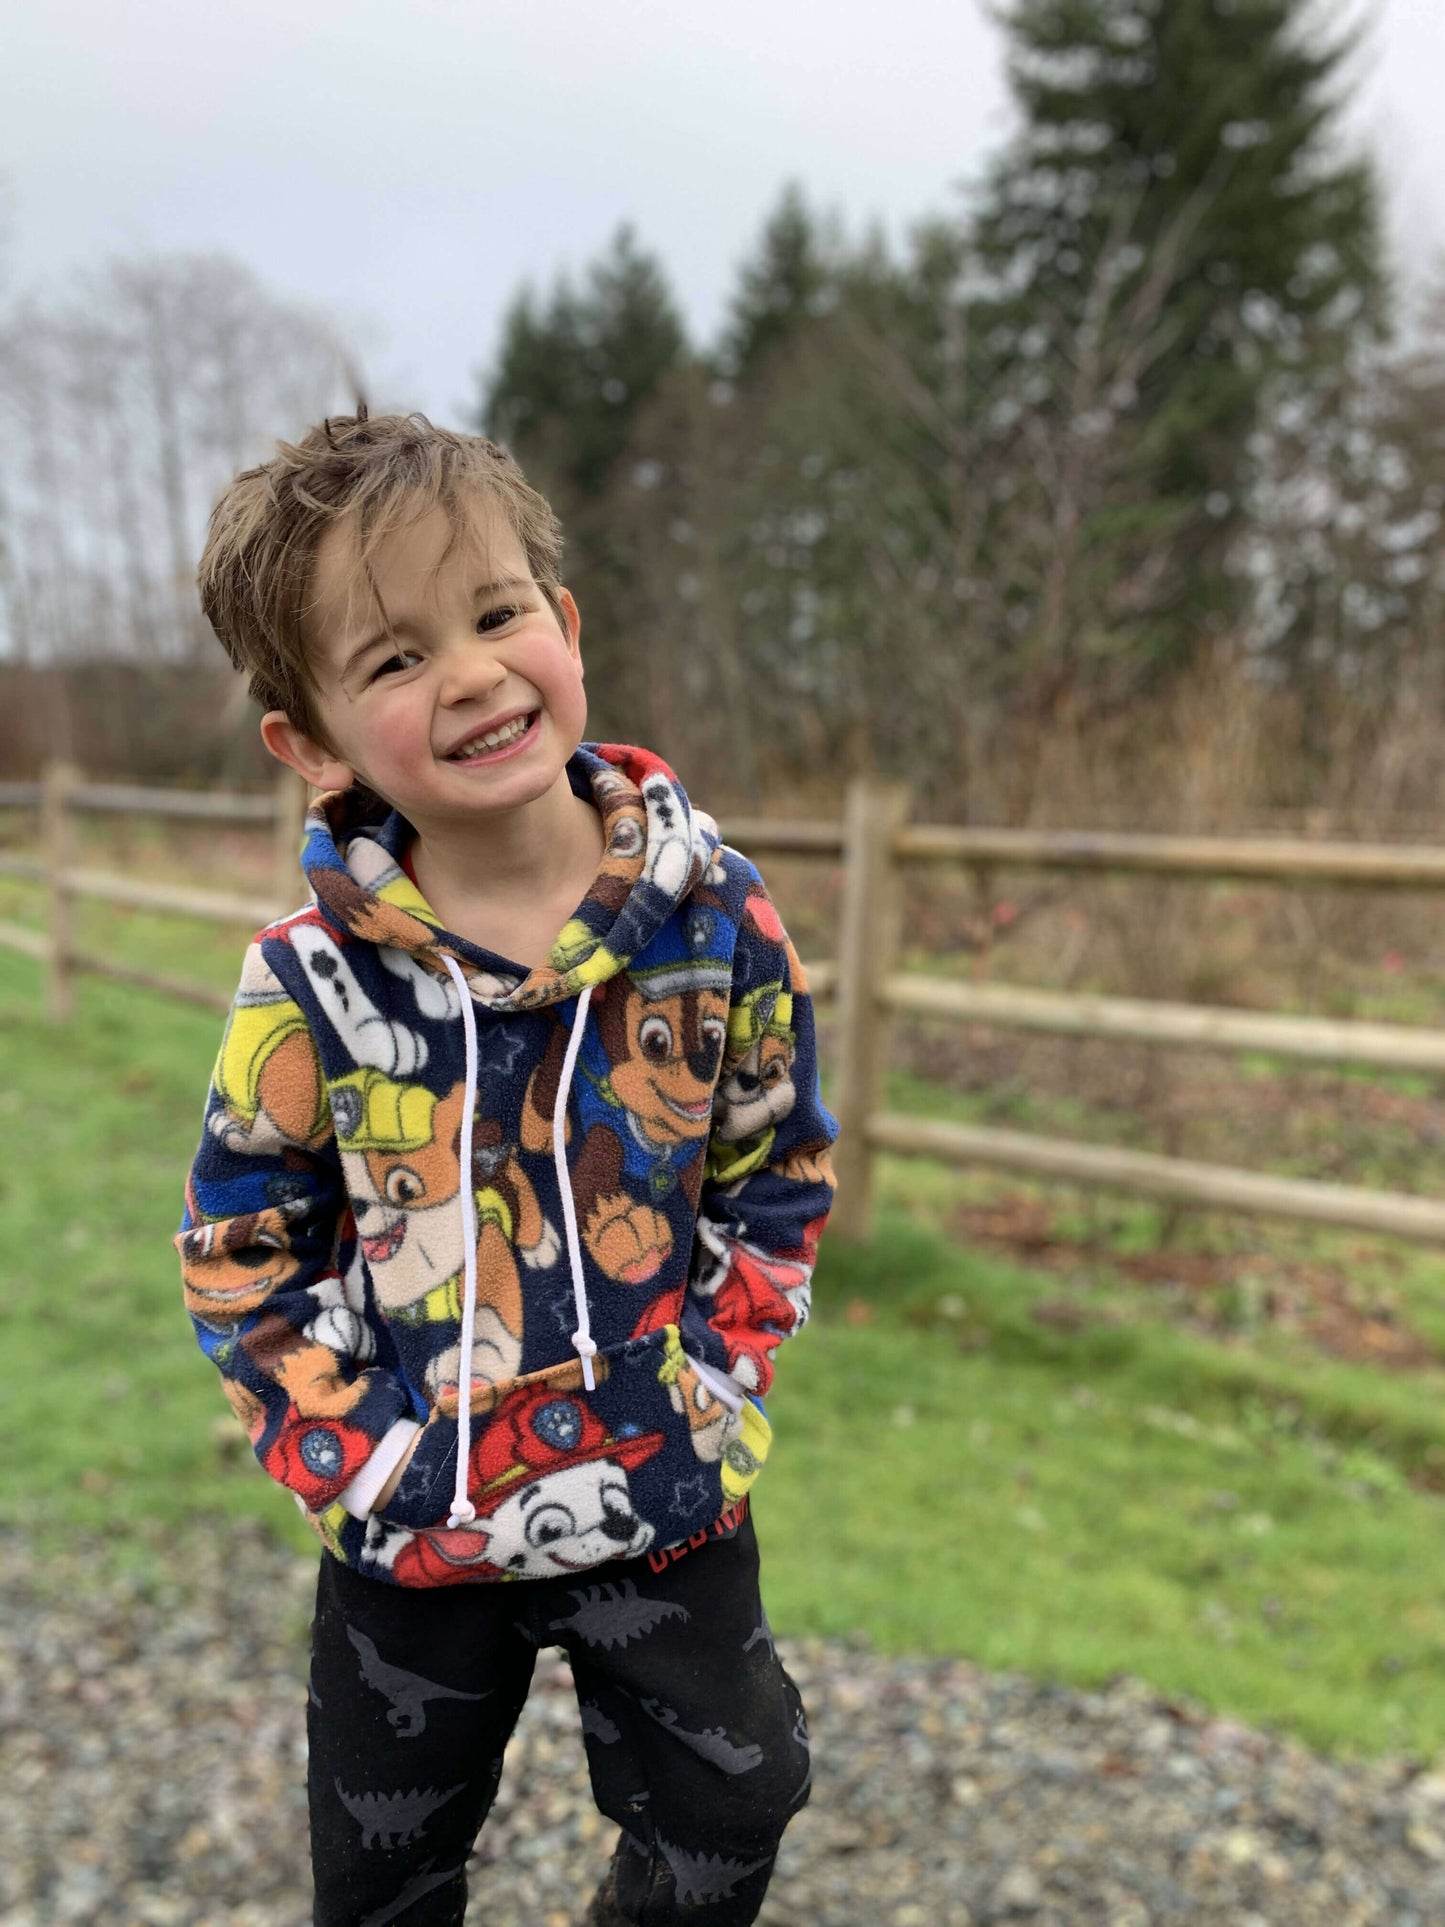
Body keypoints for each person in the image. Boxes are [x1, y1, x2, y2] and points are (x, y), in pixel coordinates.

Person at [176, 409, 838, 1927]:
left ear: (564, 625)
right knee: (384, 1870)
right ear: (313, 742)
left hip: (659, 1489)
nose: (470, 671)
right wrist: (361, 1451)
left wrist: (716, 1379)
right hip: (414, 1528)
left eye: (496, 614)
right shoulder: (303, 984)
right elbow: (242, 1245)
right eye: (395, 657)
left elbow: (774, 1168)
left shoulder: (718, 920)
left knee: (739, 1790)